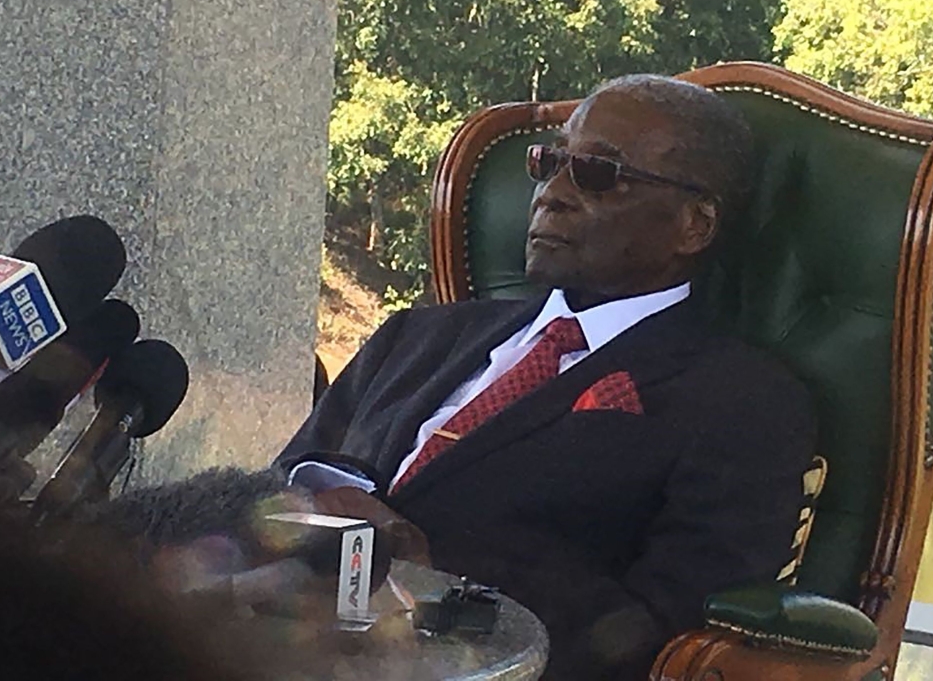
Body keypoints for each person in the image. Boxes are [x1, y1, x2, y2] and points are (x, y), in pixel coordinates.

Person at [275, 75, 816, 680]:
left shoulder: (741, 400)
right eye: (549, 163)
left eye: (597, 174)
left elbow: (665, 637)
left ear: (695, 225)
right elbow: (271, 492)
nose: (550, 194)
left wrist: (430, 575)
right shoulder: (414, 337)